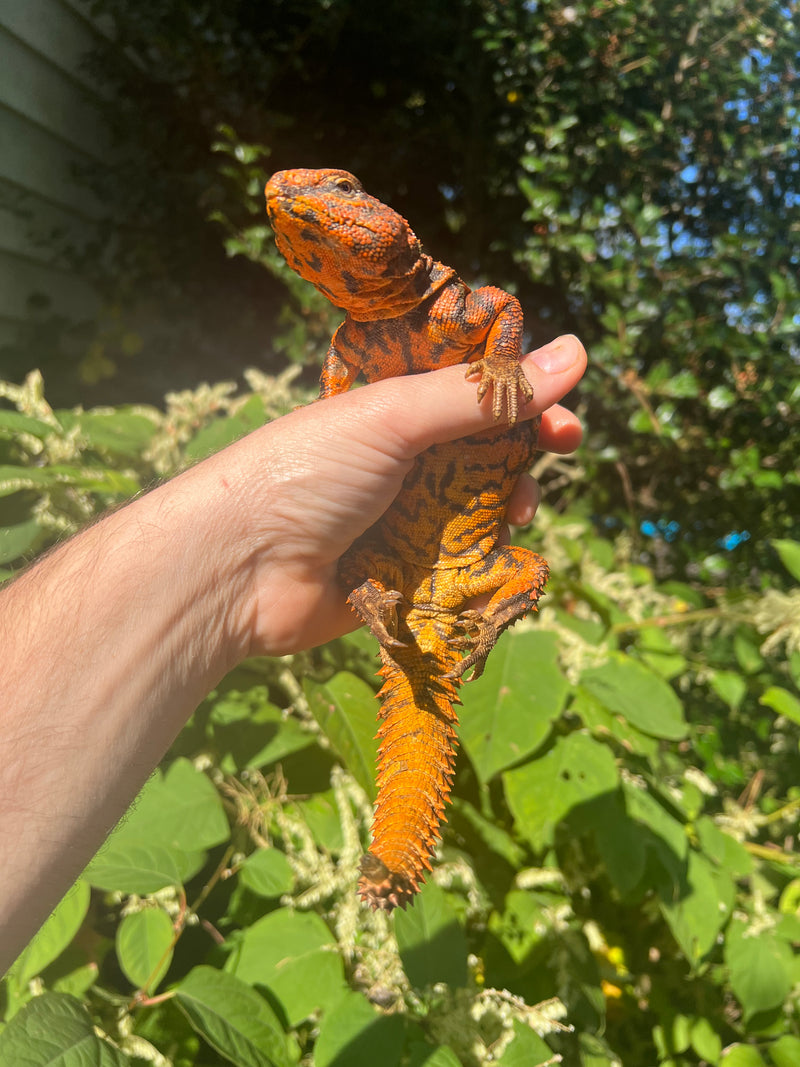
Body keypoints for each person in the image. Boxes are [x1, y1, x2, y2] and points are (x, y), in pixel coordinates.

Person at [0, 335, 586, 970]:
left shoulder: (455, 319)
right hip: (422, 574)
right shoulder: (399, 342)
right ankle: (394, 850)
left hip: (446, 577)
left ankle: (394, 861)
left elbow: (496, 316)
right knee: (446, 569)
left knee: (521, 571)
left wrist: (493, 615)